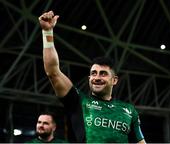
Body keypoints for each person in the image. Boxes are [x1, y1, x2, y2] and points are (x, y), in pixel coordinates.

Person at [38, 10, 146, 143]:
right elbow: (52, 72)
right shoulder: (78, 101)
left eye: (103, 73)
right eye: (93, 73)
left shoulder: (129, 111)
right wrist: (47, 32)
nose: (97, 77)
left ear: (114, 80)